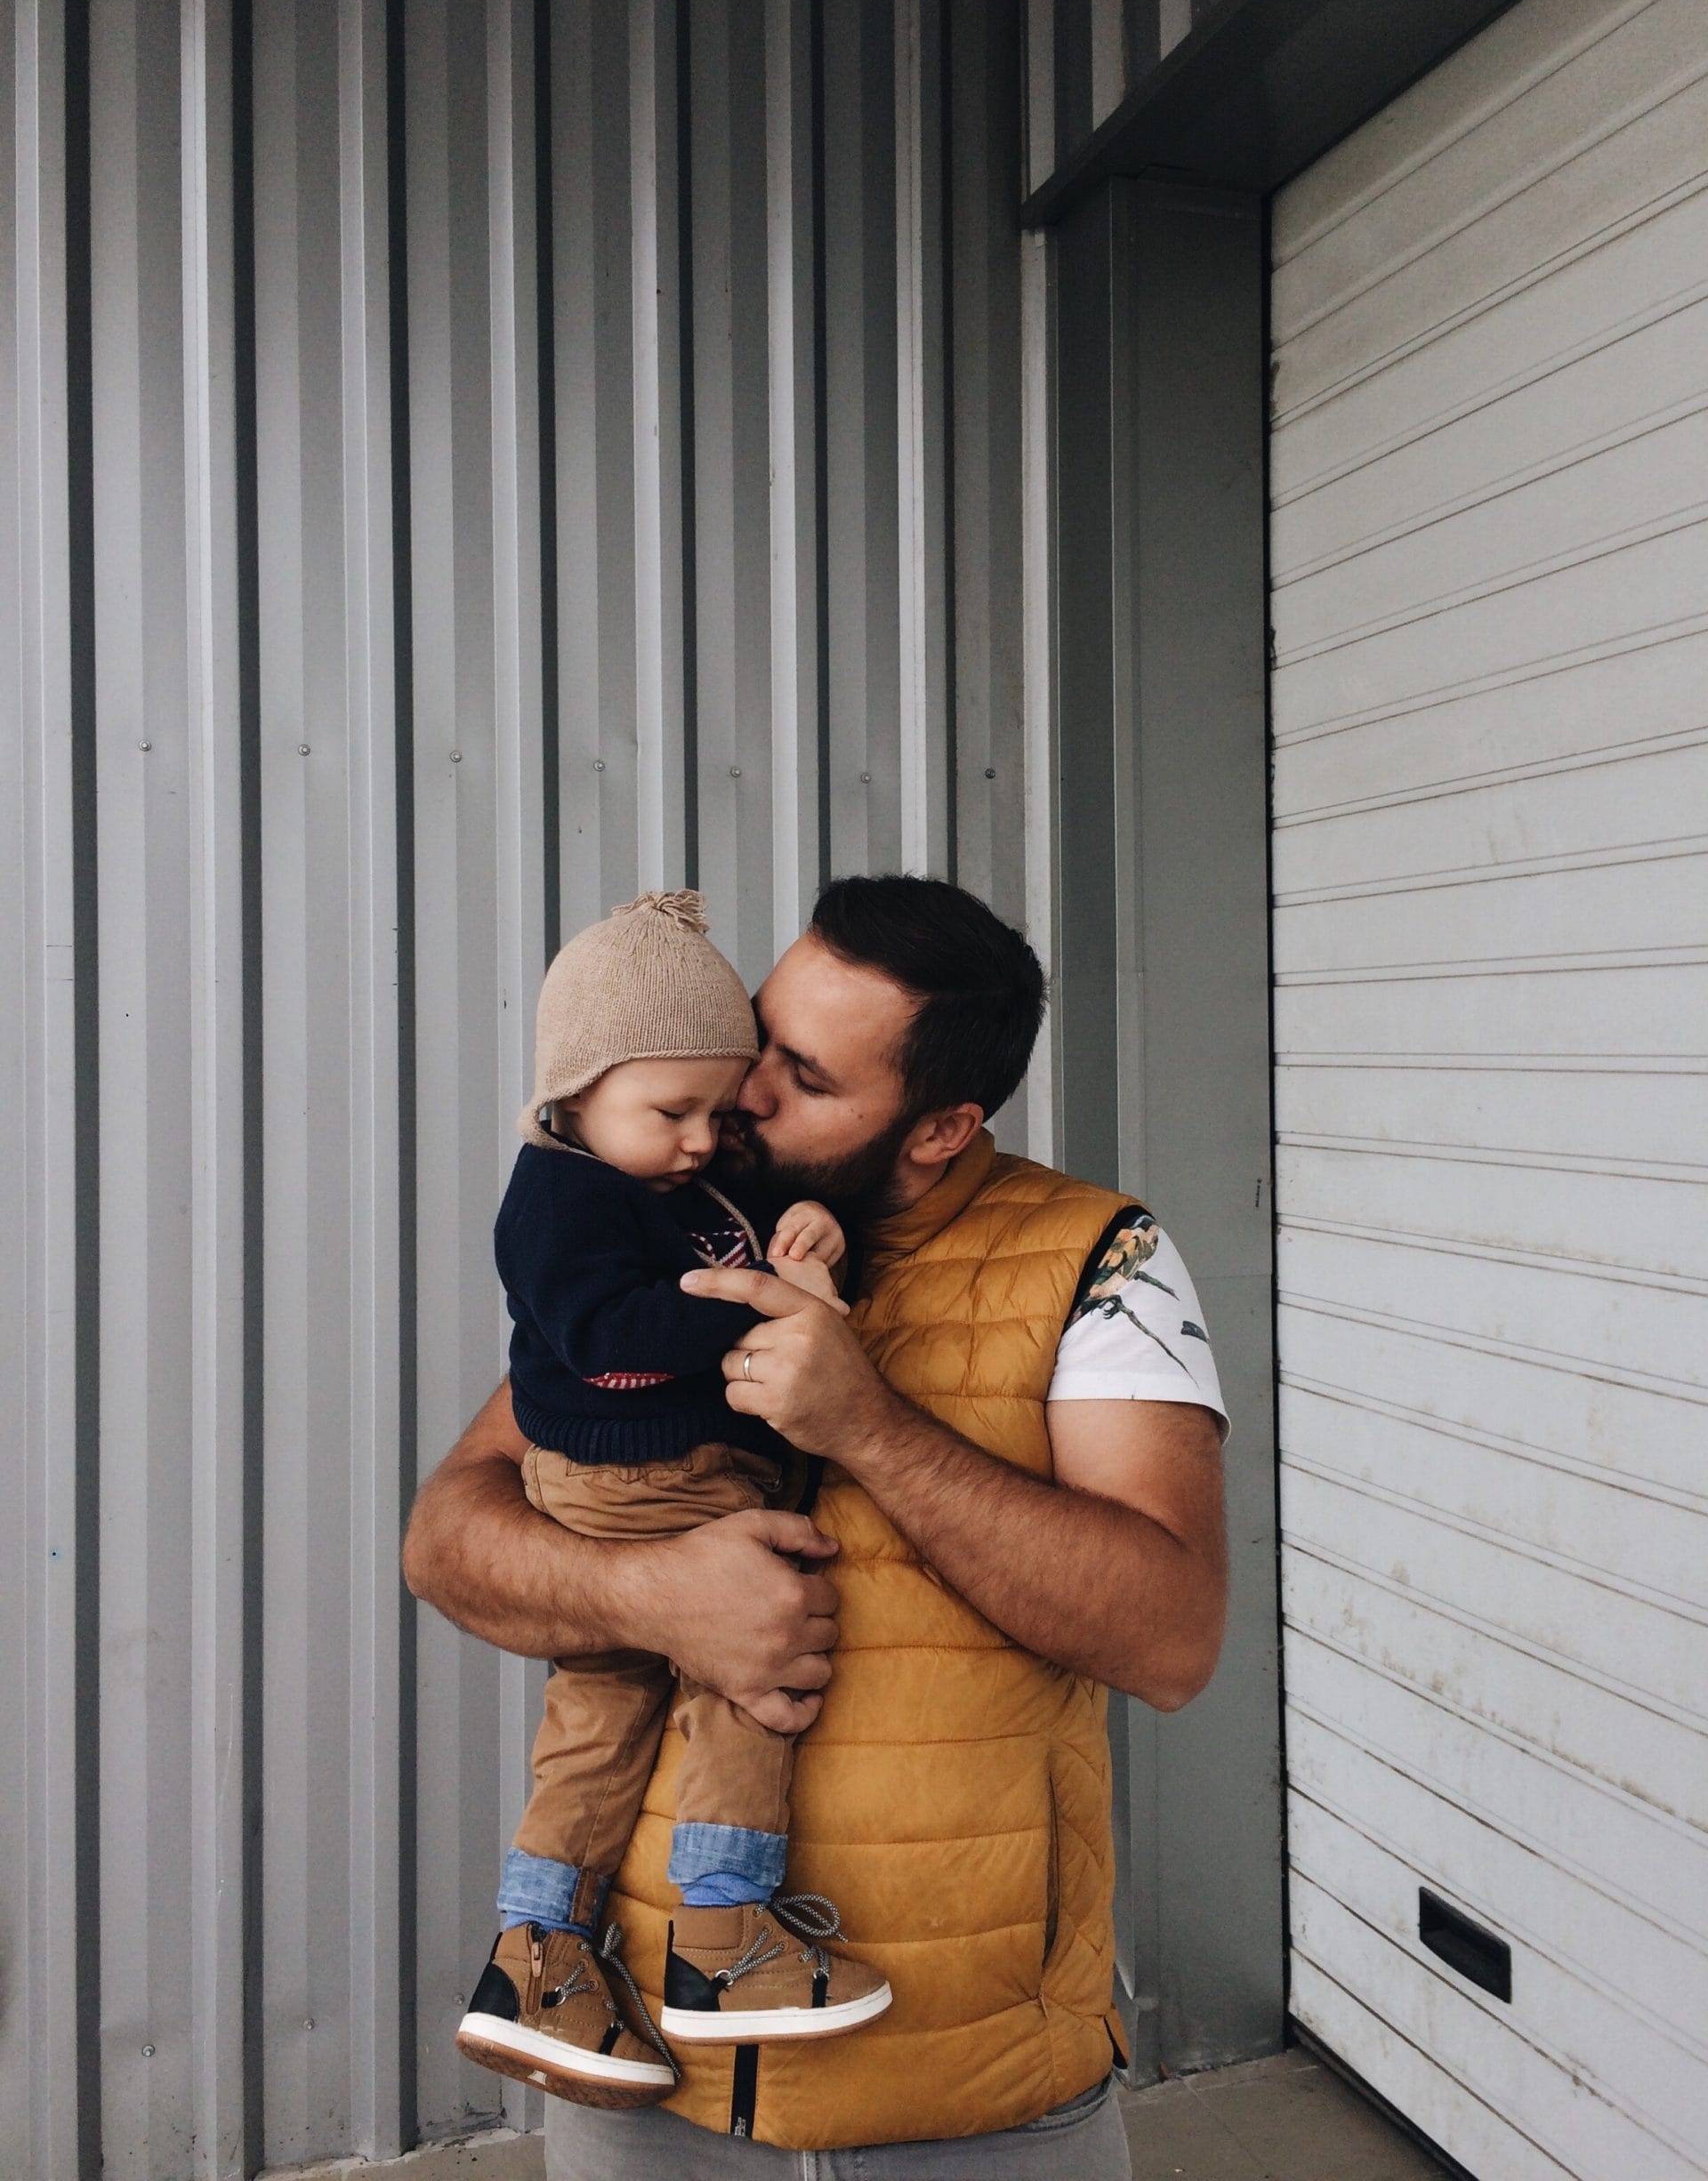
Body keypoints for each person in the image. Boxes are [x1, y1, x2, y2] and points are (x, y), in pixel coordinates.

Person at [404, 875, 1229, 2178]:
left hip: (971, 2088)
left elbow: (1173, 1638)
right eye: (757, 1039)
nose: (744, 1096)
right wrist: (648, 1597)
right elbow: (448, 1540)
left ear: (942, 1126)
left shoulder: (1096, 1261)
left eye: (803, 1074)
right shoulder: (671, 1225)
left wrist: (872, 1427)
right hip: (650, 2092)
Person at [456, 890, 890, 2113]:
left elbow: (735, 1222)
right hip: (641, 1489)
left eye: (718, 1106)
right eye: (674, 1112)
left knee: (600, 1713)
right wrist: (761, 1299)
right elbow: (607, 1339)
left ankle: (533, 1956)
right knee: (751, 1670)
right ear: (574, 1091)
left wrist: (811, 1232)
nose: (706, 1139)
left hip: (638, 1483)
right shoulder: (558, 1196)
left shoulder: (650, 1173)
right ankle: (725, 1942)